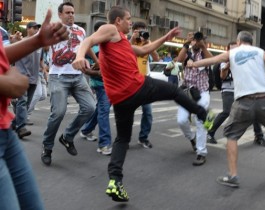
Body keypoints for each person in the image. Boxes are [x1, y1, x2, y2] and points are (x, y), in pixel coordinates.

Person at [72, 6, 208, 202]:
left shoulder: (123, 42)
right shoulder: (111, 29)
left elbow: (145, 49)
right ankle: (204, 116)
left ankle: (115, 182)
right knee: (175, 91)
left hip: (120, 99)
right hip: (137, 87)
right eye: (128, 19)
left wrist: (166, 37)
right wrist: (79, 56)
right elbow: (88, 40)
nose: (130, 22)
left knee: (123, 139)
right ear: (118, 20)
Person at [191, 31, 265, 188]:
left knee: (232, 136)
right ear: (251, 42)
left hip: (243, 101)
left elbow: (211, 61)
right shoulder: (260, 52)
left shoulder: (232, 52)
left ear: (239, 41)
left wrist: (193, 64)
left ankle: (233, 176)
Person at [0, 9, 69, 210]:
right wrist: (9, 82)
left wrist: (38, 41)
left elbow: (3, 60)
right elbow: (12, 79)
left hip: (6, 132)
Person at [41, 2, 96, 166]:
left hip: (78, 76)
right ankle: (47, 147)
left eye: (72, 12)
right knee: (58, 113)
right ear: (60, 14)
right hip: (58, 76)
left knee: (91, 107)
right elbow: (43, 45)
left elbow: (86, 46)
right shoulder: (53, 29)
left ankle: (67, 137)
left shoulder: (81, 30)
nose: (71, 15)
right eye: (67, 12)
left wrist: (97, 60)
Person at [207, 41, 265, 148]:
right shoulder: (225, 60)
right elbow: (222, 76)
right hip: (228, 90)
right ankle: (210, 133)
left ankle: (259, 136)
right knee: (227, 111)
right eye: (232, 49)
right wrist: (228, 65)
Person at [176, 32, 212, 166]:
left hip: (202, 92)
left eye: (198, 40)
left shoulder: (204, 52)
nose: (196, 42)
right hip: (187, 92)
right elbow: (179, 60)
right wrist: (186, 44)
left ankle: (201, 152)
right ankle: (192, 138)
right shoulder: (187, 53)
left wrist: (203, 47)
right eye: (195, 40)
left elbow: (212, 61)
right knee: (181, 120)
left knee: (200, 120)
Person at [80, 21, 112, 155]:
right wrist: (97, 72)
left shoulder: (108, 44)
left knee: (101, 109)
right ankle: (104, 143)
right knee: (104, 110)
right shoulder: (90, 46)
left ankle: (86, 130)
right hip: (99, 84)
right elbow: (84, 68)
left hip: (110, 83)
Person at [129, 21, 159, 148]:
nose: (142, 34)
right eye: (139, 31)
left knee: (148, 112)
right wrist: (131, 39)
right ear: (134, 31)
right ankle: (125, 139)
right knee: (128, 112)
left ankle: (143, 138)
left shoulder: (147, 43)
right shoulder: (128, 42)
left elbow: (157, 58)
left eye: (144, 31)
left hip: (144, 81)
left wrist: (150, 44)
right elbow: (124, 52)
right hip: (130, 81)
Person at [11, 22, 42, 139]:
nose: (36, 30)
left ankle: (13, 124)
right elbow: (12, 43)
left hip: (34, 77)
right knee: (23, 102)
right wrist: (14, 38)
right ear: (28, 29)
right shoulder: (21, 41)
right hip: (22, 76)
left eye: (37, 28)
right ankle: (21, 128)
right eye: (34, 28)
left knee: (26, 103)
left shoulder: (38, 44)